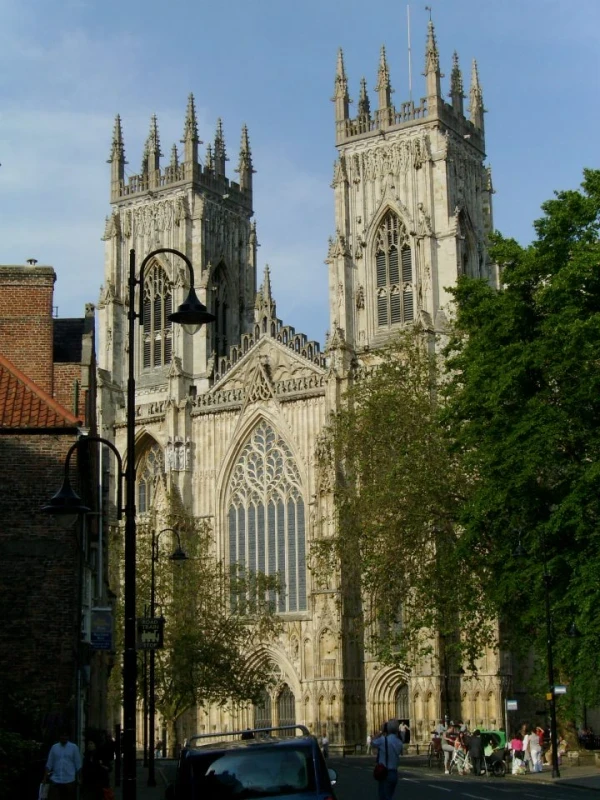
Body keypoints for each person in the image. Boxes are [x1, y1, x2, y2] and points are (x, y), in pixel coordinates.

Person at [45, 730, 82, 800]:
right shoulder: (54, 747)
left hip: (69, 780)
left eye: (66, 736)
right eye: (62, 736)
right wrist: (44, 778)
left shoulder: (74, 747)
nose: (64, 737)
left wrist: (80, 778)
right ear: (59, 736)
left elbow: (78, 764)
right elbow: (49, 763)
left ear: (68, 737)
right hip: (56, 780)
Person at [372, 723, 403, 800]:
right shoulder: (399, 742)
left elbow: (372, 742)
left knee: (383, 797)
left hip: (384, 772)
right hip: (394, 773)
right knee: (389, 796)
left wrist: (381, 732)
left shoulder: (383, 740)